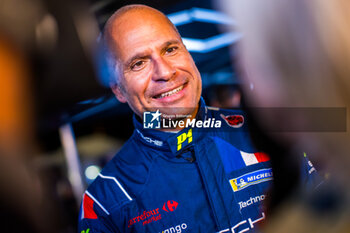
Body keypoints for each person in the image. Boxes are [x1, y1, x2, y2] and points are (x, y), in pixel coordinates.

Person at [78, 4, 319, 233]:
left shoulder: (275, 131)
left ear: (188, 53)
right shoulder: (105, 200)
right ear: (118, 89)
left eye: (170, 49)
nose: (165, 72)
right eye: (139, 63)